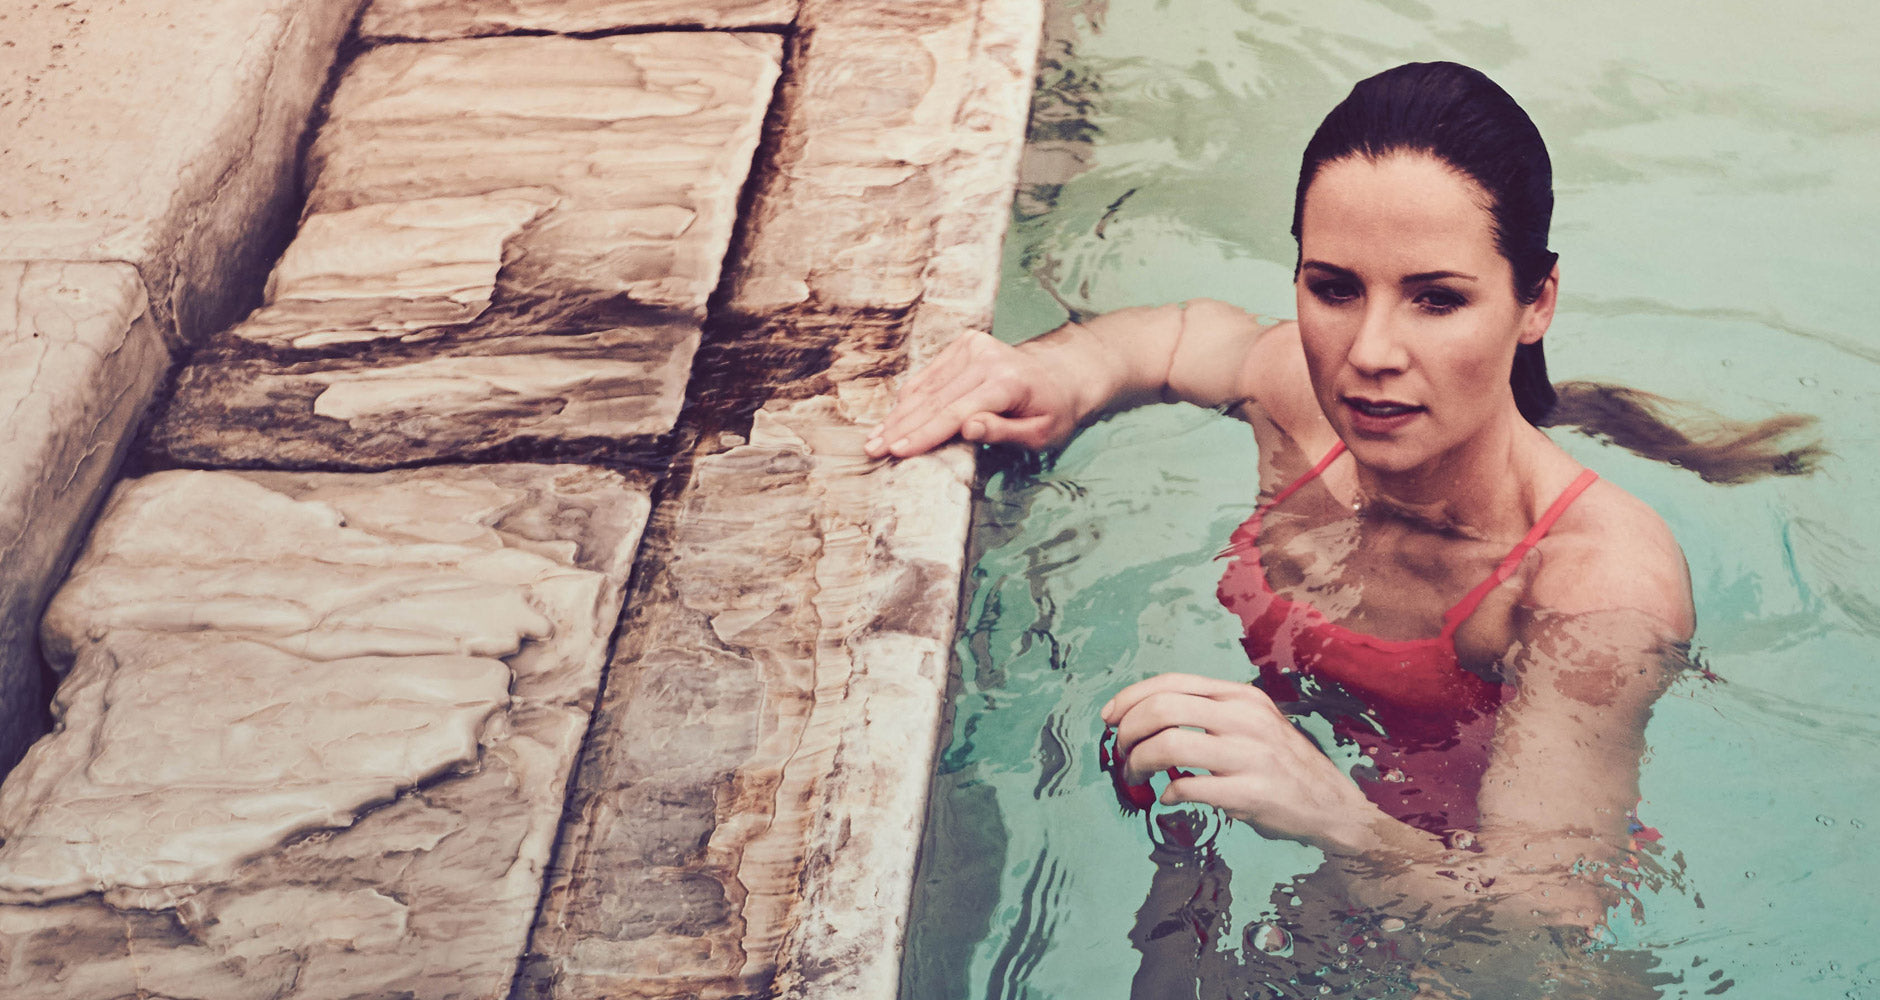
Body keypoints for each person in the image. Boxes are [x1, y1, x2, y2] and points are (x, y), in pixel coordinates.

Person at [866, 61, 1820, 997]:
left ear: (1537, 302)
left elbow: (1543, 938)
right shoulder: (1304, 407)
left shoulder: (1592, 586)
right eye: (1333, 288)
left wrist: (1335, 817)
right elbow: (1179, 339)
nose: (1368, 354)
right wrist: (1059, 377)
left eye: (1437, 299)